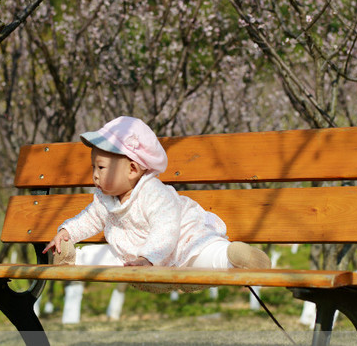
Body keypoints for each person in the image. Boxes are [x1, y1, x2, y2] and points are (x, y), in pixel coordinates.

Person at [43, 116, 270, 272]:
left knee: (203, 256)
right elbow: (89, 219)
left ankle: (236, 259)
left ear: (132, 169)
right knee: (111, 258)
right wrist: (67, 233)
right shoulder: (105, 198)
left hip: (181, 240)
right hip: (138, 254)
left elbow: (166, 229)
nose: (94, 175)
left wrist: (149, 259)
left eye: (101, 168)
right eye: (93, 167)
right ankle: (72, 259)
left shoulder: (154, 194)